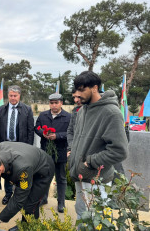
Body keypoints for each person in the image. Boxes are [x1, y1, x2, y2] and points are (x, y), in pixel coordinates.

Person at [68, 71, 128, 219]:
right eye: (77, 90)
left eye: (82, 90)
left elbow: (119, 151)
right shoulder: (82, 110)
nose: (78, 94)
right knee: (82, 215)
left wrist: (90, 162)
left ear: (95, 88)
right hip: (81, 176)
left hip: (97, 180)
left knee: (96, 220)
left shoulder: (111, 113)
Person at [0, 142, 55, 231]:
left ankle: (28, 226)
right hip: (27, 158)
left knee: (30, 204)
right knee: (27, 202)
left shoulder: (22, 169)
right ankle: (25, 224)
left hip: (42, 171)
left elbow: (18, 200)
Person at [0, 85, 34, 205]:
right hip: (5, 145)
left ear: (19, 96)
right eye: (11, 95)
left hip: (21, 146)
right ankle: (7, 194)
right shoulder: (2, 109)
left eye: (15, 96)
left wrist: (29, 148)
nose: (13, 98)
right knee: (7, 171)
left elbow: (30, 130)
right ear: (8, 95)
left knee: (20, 170)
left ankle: (19, 196)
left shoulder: (27, 109)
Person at [34, 93, 71, 213]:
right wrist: (42, 134)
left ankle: (61, 203)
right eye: (51, 103)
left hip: (60, 152)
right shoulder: (43, 115)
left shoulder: (68, 117)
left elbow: (71, 133)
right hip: (46, 152)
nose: (54, 105)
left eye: (56, 103)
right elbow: (37, 127)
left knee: (61, 178)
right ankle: (43, 199)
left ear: (61, 103)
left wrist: (58, 136)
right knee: (44, 176)